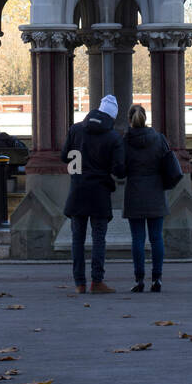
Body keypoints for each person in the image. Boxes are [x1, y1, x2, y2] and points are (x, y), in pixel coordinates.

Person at [60, 94, 126, 294]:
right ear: (112, 117)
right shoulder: (113, 137)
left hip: (78, 190)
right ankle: (97, 281)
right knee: (99, 238)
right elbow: (119, 170)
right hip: (100, 193)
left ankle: (79, 282)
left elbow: (66, 157)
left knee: (77, 239)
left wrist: (80, 170)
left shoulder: (76, 130)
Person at [123, 104, 180, 292]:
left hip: (134, 193)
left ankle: (139, 280)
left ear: (130, 120)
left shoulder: (125, 141)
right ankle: (157, 279)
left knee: (137, 239)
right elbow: (168, 163)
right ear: (145, 119)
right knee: (156, 238)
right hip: (156, 191)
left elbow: (120, 170)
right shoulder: (159, 139)